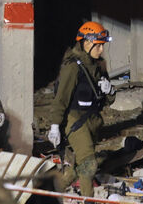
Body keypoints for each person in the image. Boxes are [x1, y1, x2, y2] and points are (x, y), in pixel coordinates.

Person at [48, 21, 115, 195]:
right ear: (86, 43)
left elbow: (108, 101)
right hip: (75, 120)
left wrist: (110, 90)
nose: (101, 50)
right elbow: (61, 98)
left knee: (78, 166)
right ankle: (88, 199)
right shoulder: (72, 66)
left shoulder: (99, 66)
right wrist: (55, 125)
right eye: (98, 46)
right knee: (89, 164)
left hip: (93, 121)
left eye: (103, 46)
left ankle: (50, 194)